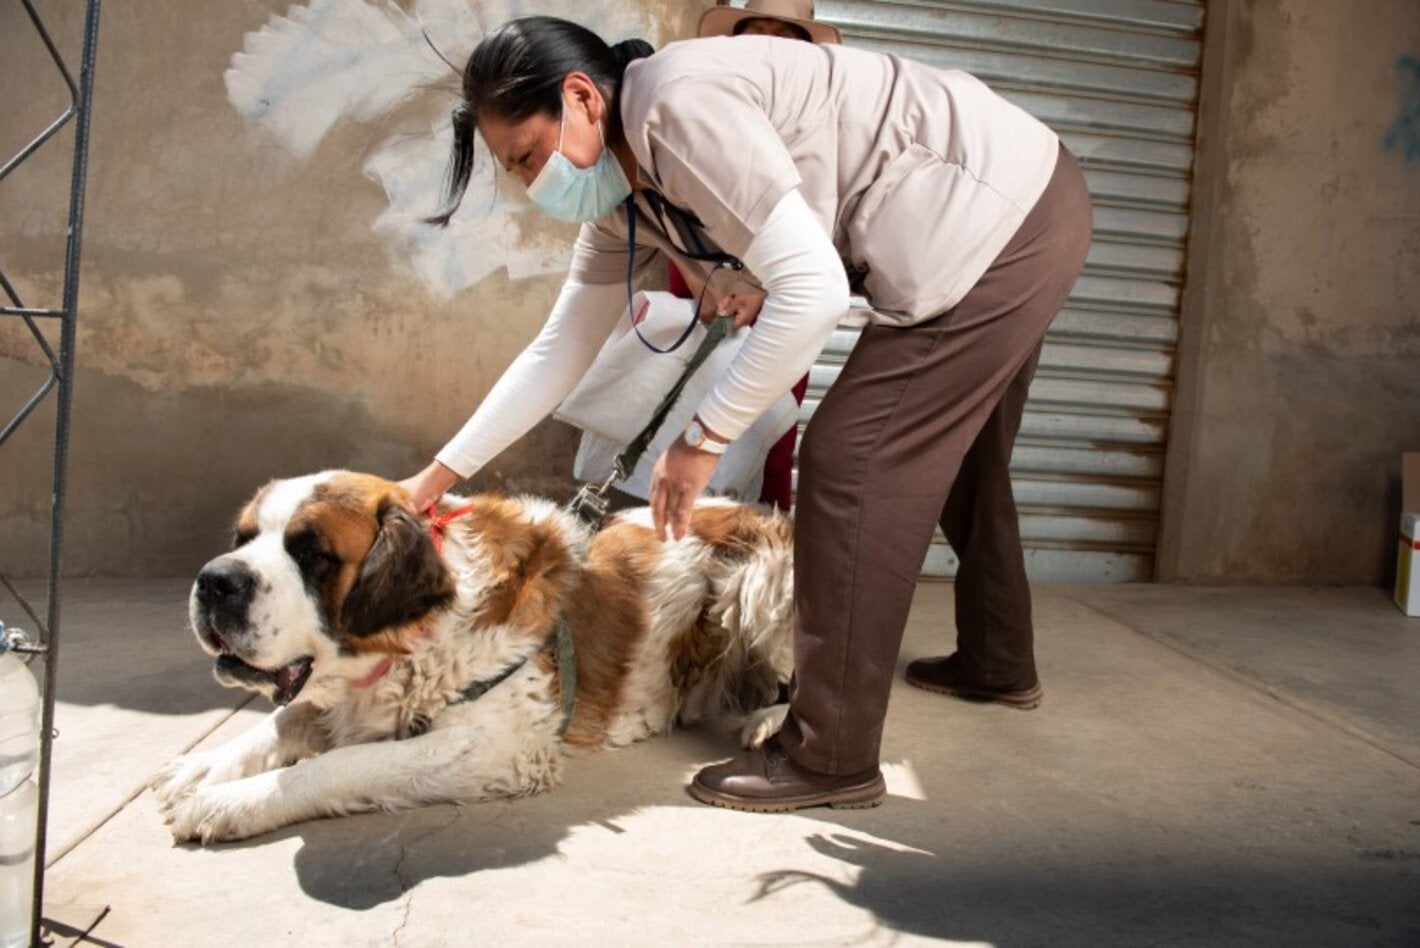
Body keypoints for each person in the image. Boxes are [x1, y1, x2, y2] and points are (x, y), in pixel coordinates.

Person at [401, 12, 1092, 811]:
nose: (530, 184)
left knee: (852, 462)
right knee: (954, 445)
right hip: (1028, 197)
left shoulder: (676, 107)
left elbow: (815, 292)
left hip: (1000, 217)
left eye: (527, 156)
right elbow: (557, 352)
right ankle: (997, 660)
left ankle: (830, 756)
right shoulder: (624, 199)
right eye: (513, 170)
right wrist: (435, 477)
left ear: (583, 97)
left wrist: (702, 440)